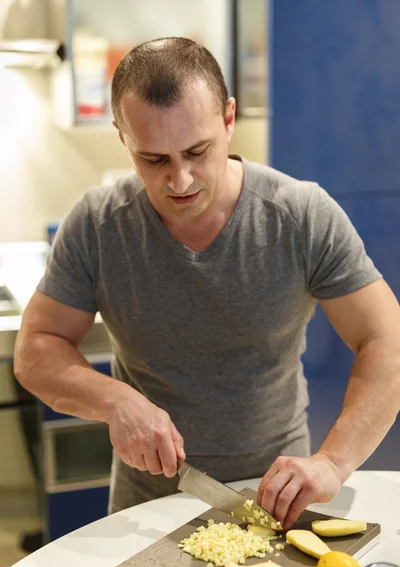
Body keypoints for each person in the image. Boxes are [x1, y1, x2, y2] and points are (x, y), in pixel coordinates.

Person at [14, 37, 400, 531]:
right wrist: (115, 400)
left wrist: (333, 462)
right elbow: (35, 350)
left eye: (197, 151)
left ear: (228, 119)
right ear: (121, 135)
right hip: (144, 512)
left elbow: (385, 340)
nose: (180, 180)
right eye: (153, 160)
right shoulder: (97, 224)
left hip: (276, 504)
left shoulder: (301, 215)